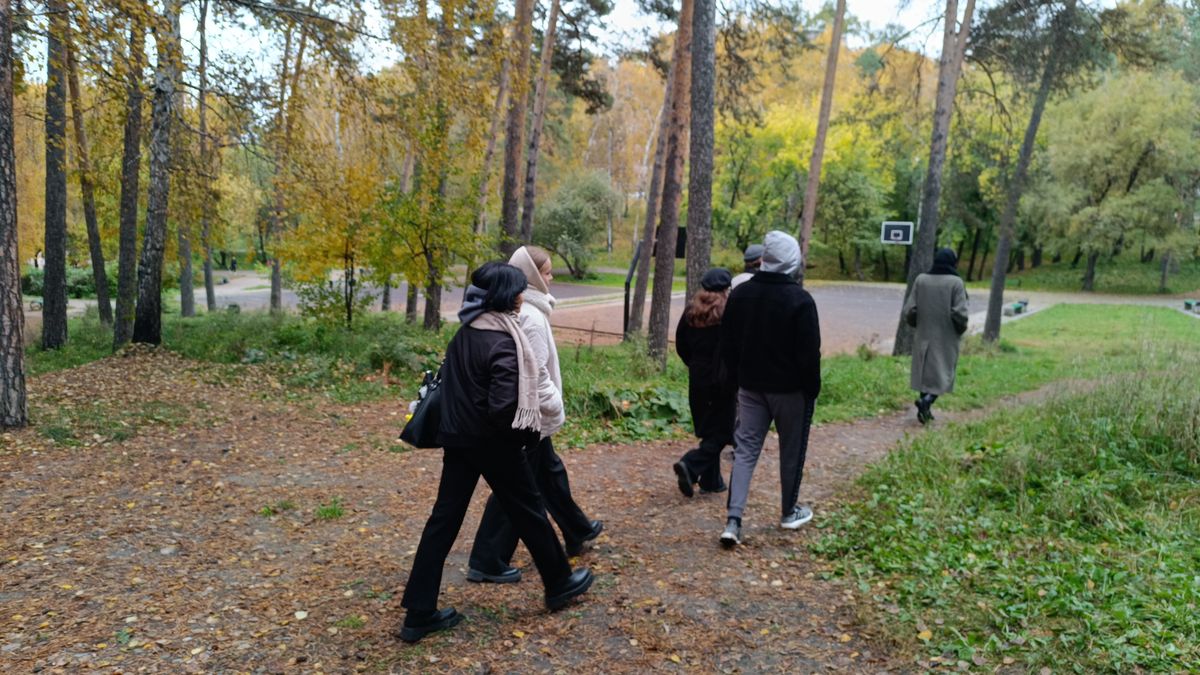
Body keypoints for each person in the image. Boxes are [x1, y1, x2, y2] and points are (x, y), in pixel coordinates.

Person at [396, 263, 593, 643]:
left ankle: (418, 613)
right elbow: (504, 407)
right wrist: (523, 434)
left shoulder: (467, 332)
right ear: (506, 296)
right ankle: (559, 583)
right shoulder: (504, 340)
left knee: (444, 520)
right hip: (493, 444)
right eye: (519, 291)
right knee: (530, 510)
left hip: (458, 440)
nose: (522, 297)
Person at [467, 246, 603, 584]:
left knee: (549, 474)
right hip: (529, 418)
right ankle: (488, 558)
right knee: (517, 491)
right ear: (530, 276)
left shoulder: (528, 309)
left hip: (530, 418)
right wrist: (551, 406)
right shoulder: (529, 316)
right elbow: (532, 373)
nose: (552, 278)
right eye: (546, 272)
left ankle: (576, 529)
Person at [718, 231, 821, 548]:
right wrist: (811, 389)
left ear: (765, 259)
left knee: (745, 451)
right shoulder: (800, 300)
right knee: (791, 451)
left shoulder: (741, 294)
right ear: (792, 261)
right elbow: (809, 354)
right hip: (790, 392)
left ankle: (733, 521)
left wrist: (735, 379)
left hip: (750, 388)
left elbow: (729, 343)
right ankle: (789, 511)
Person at [672, 268, 735, 497]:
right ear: (726, 289)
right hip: (722, 381)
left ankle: (711, 481)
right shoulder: (728, 313)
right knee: (723, 432)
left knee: (709, 429)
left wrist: (694, 364)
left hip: (697, 379)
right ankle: (690, 463)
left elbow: (681, 343)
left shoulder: (691, 311)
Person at [902, 248, 969, 424]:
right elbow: (961, 313)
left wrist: (917, 323)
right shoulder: (956, 283)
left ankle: (924, 410)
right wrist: (959, 328)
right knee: (943, 372)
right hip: (946, 335)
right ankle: (927, 401)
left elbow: (910, 309)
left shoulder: (921, 280)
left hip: (923, 333)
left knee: (925, 372)